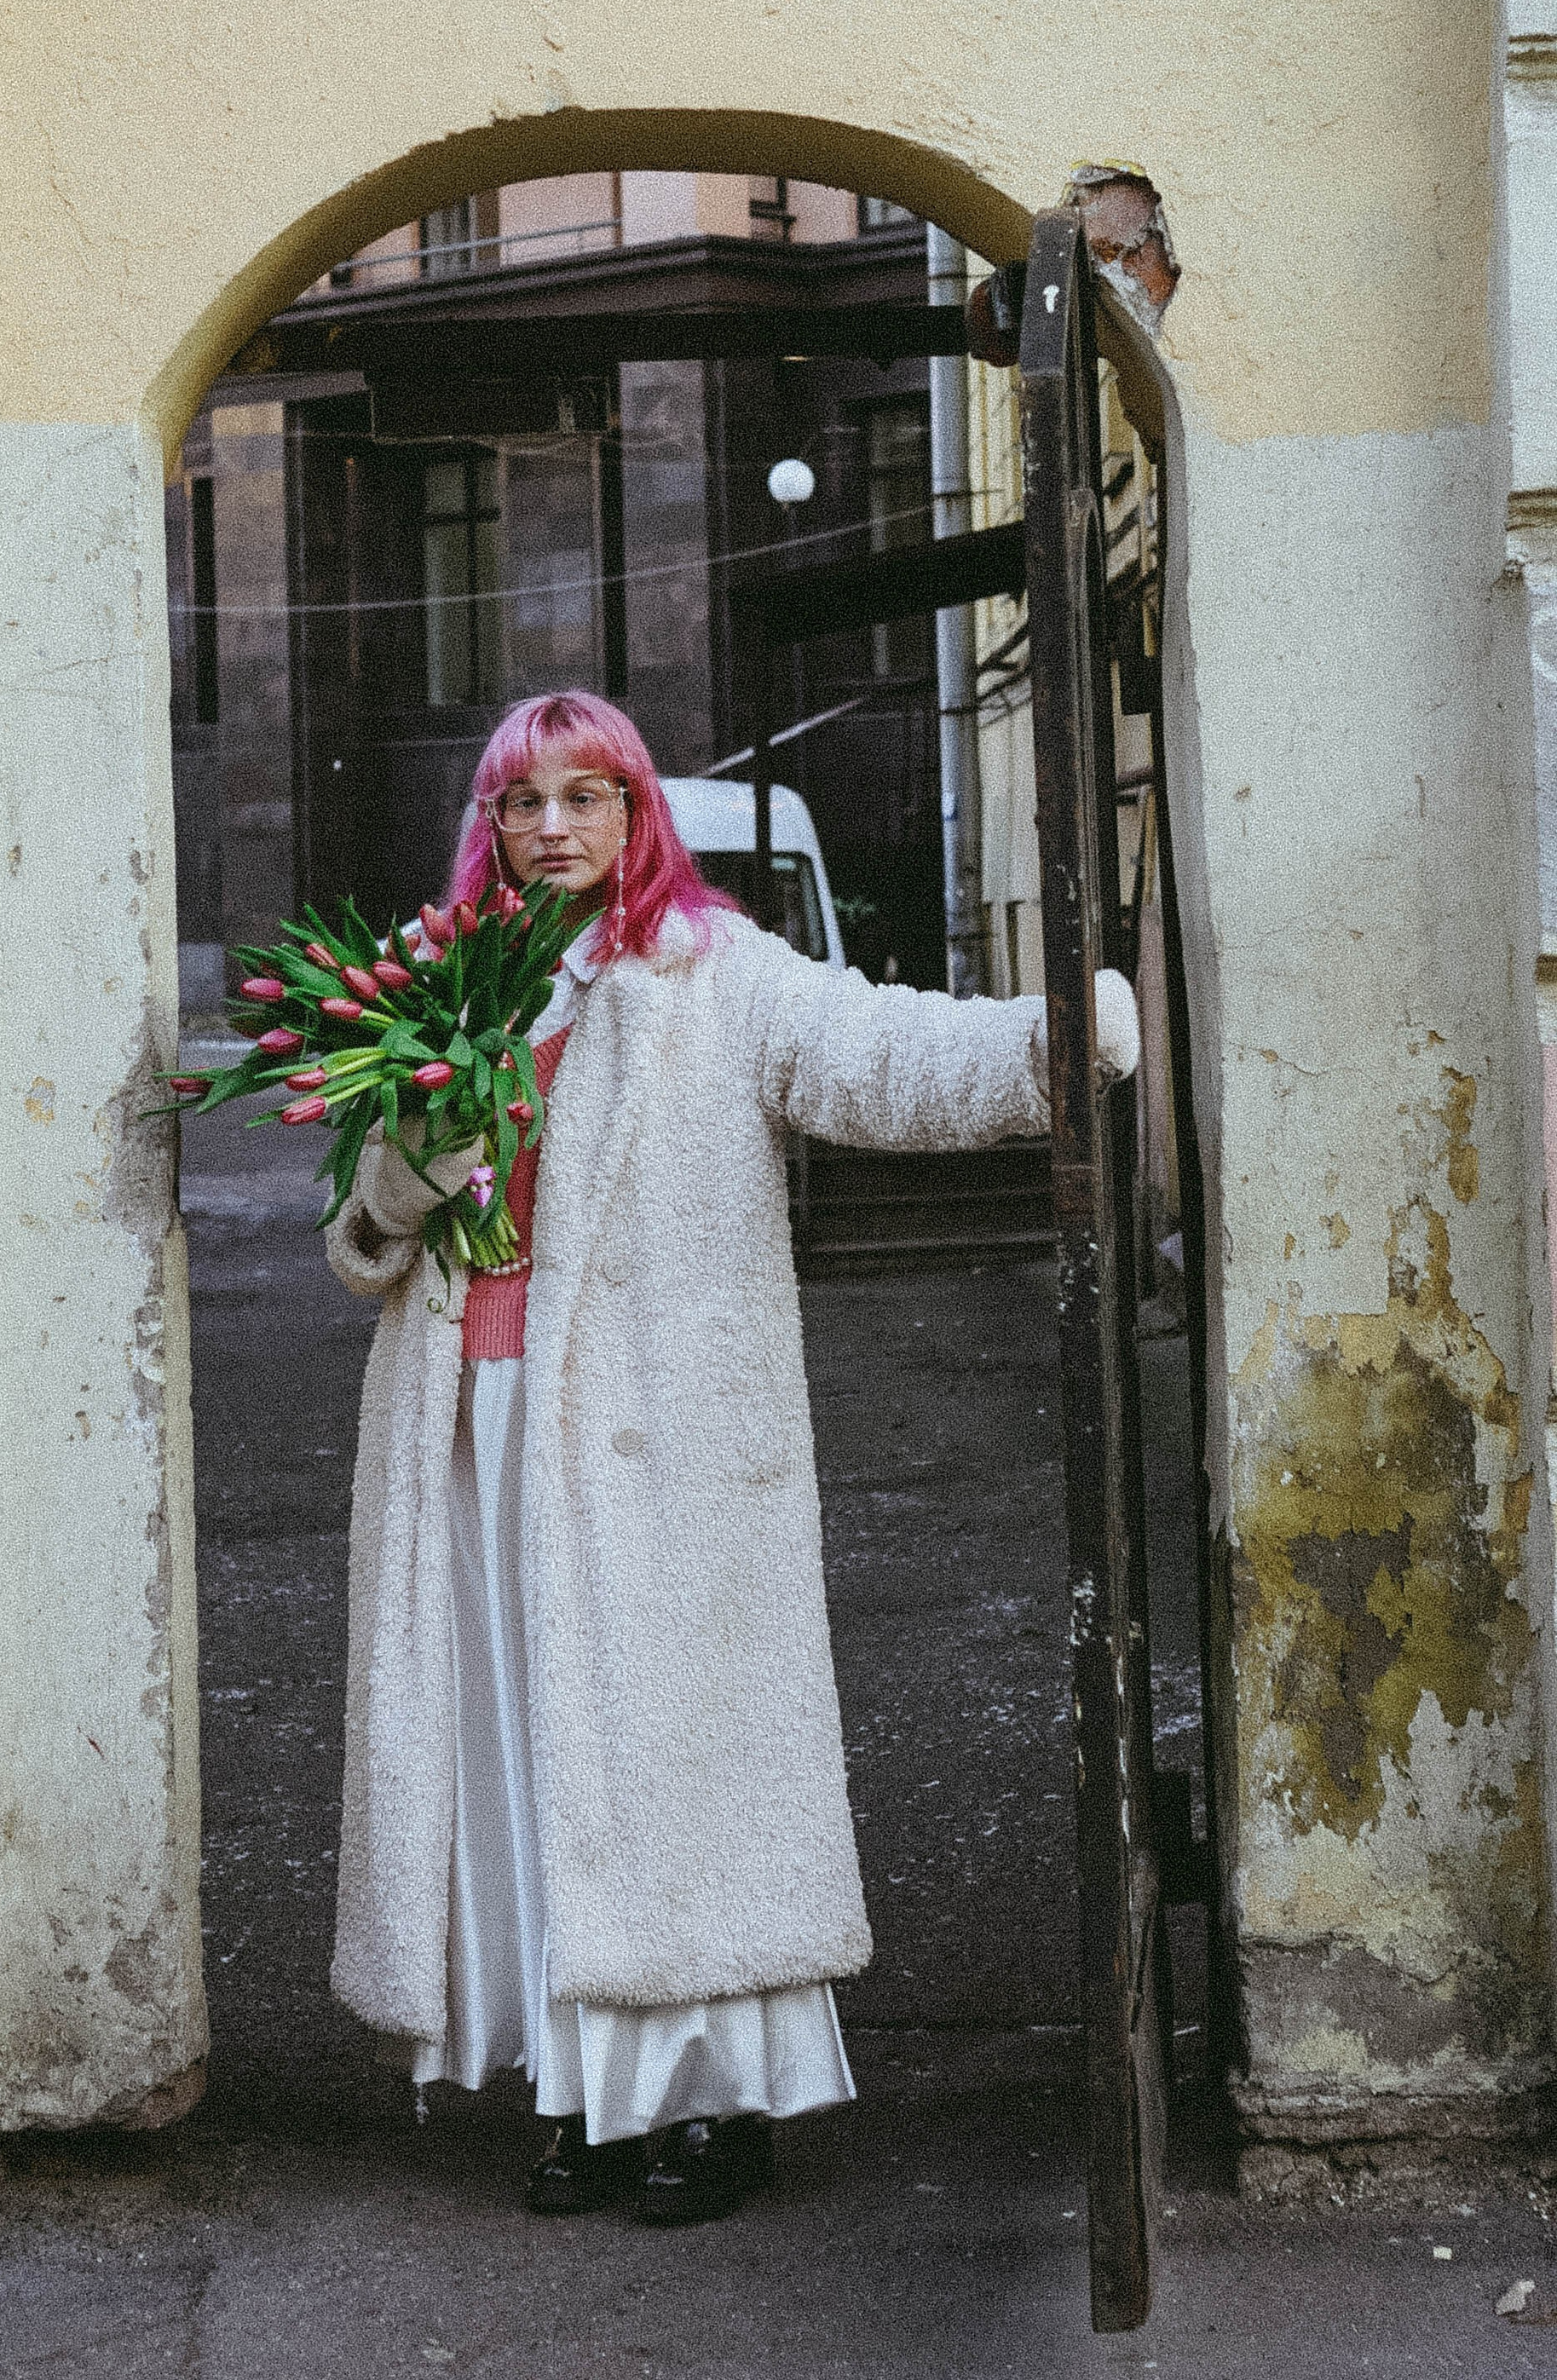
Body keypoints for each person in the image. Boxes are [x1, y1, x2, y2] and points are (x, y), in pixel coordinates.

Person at [325, 688, 1140, 2227]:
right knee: (522, 1751)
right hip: (473, 1432)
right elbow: (364, 1243)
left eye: (587, 796)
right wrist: (408, 1169)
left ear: (639, 814)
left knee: (675, 1763)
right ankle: (580, 2095)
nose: (553, 828)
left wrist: (1057, 1038)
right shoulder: (446, 990)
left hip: (663, 1443)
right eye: (523, 802)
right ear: (489, 825)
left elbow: (883, 1057)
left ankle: (709, 2102)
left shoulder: (716, 974)